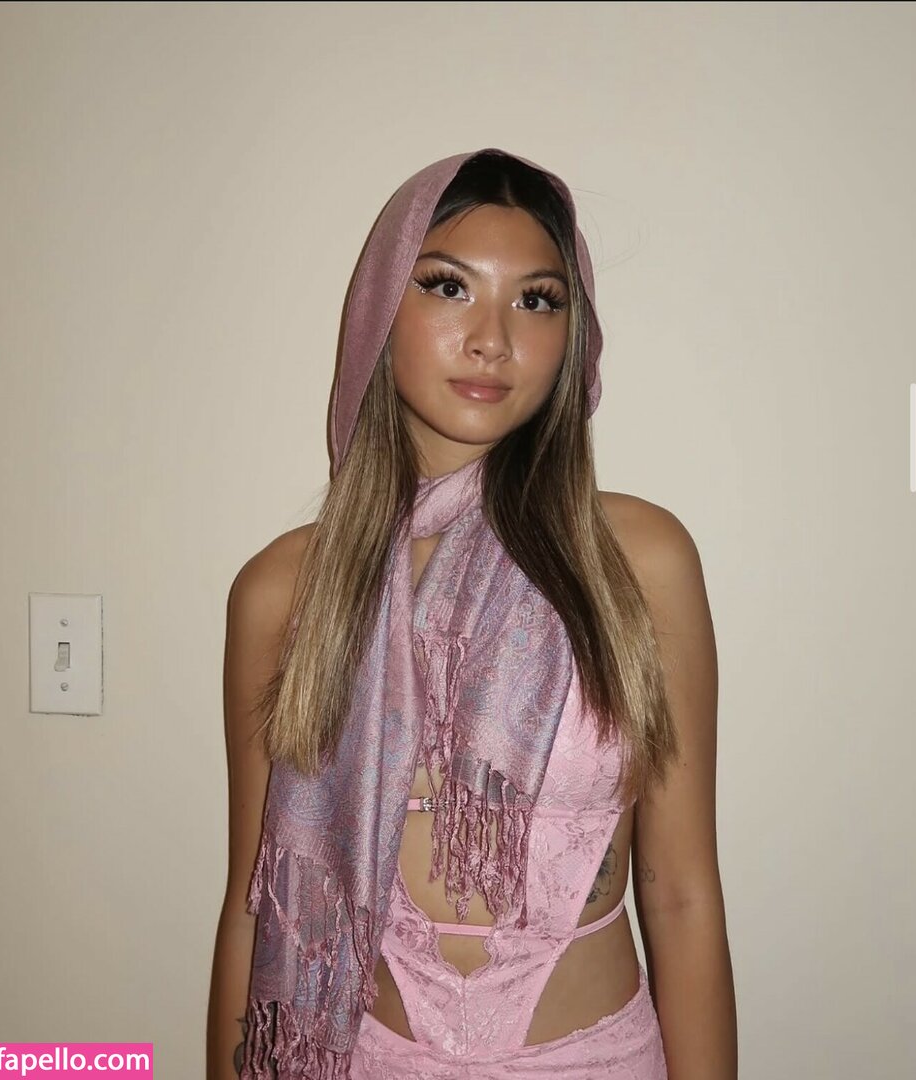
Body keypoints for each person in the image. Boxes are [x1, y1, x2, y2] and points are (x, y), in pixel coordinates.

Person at [206, 148, 737, 1080]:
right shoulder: (284, 591)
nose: (493, 338)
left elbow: (682, 893)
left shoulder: (639, 562)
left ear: (573, 337)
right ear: (380, 310)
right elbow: (258, 906)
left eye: (537, 300)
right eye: (449, 286)